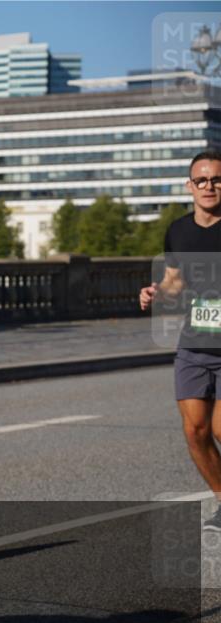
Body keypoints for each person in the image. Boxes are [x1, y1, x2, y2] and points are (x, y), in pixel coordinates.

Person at [140, 150, 221, 532]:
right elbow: (175, 280)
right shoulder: (179, 230)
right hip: (194, 343)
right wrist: (156, 293)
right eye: (202, 180)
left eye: (217, 179)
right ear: (190, 186)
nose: (210, 186)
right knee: (195, 431)